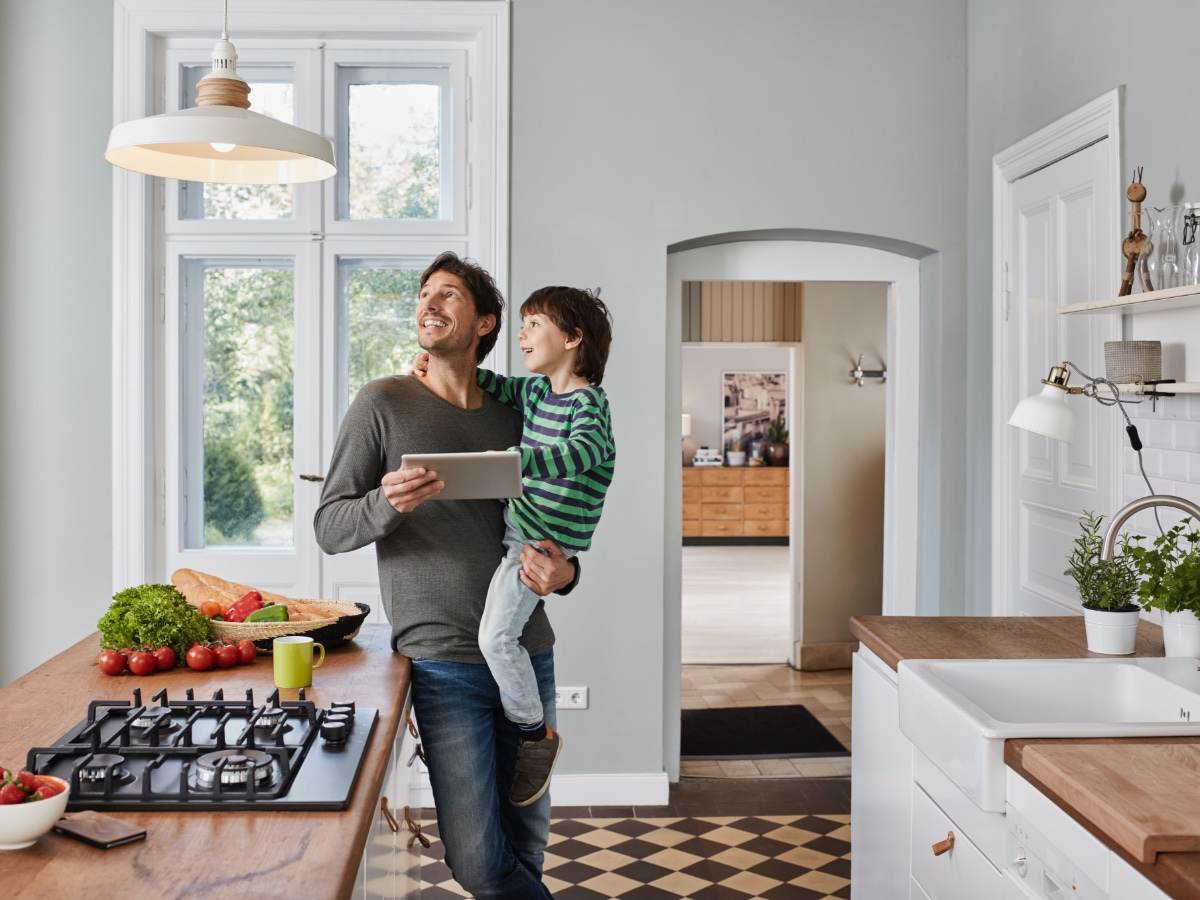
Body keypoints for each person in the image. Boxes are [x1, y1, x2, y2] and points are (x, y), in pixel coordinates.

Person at [313, 252, 579, 899]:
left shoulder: (516, 413)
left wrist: (565, 573)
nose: (429, 303)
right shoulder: (382, 402)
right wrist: (388, 502)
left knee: (525, 848)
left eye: (450, 294)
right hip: (442, 667)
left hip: (526, 652)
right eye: (424, 293)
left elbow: (557, 522)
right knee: (481, 862)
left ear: (486, 322)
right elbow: (330, 525)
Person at [416, 285, 615, 808]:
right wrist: (432, 367)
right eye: (522, 324)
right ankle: (530, 729)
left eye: (534, 325)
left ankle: (534, 735)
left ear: (572, 339)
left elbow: (585, 452)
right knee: (498, 638)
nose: (522, 335)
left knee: (496, 641)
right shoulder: (534, 394)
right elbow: (493, 384)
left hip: (533, 548)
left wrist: (514, 463)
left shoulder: (589, 405)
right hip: (522, 537)